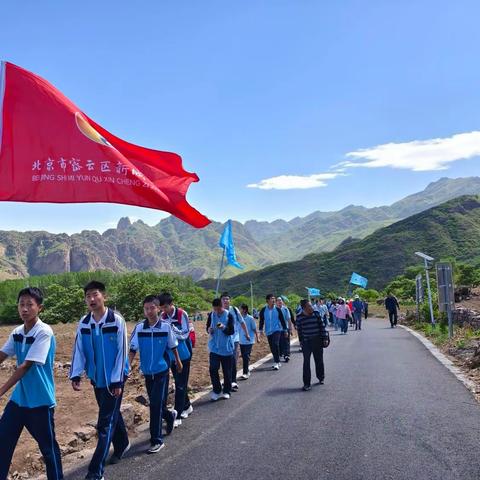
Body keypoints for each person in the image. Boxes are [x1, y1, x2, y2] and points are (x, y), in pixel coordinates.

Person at [0, 287, 63, 480]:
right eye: (21, 304)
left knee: (48, 449)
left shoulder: (44, 332)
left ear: (40, 308)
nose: (24, 309)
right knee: (2, 443)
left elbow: (25, 366)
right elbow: (2, 355)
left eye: (30, 305)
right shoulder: (18, 332)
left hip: (40, 401)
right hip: (19, 400)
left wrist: (1, 390)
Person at [70, 281, 130, 480]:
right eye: (88, 296)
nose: (91, 299)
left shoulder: (116, 321)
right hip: (97, 379)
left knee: (104, 423)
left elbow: (123, 352)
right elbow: (79, 349)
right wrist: (76, 374)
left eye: (95, 294)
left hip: (115, 378)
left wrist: (117, 381)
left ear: (104, 296)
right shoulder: (84, 323)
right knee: (112, 414)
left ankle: (95, 472)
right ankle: (122, 443)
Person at [129, 295, 182, 454]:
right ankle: (170, 415)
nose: (149, 311)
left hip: (161, 372)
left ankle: (157, 440)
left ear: (158, 308)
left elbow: (173, 346)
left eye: (152, 308)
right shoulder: (139, 328)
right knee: (156, 403)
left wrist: (178, 362)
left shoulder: (166, 327)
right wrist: (126, 367)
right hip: (147, 373)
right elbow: (132, 350)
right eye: (146, 308)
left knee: (155, 405)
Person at [158, 292, 193, 426]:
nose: (164, 310)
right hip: (171, 355)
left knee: (180, 384)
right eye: (161, 308)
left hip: (183, 354)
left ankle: (177, 414)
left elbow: (185, 333)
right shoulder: (162, 316)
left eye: (165, 307)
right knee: (179, 382)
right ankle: (187, 405)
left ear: (171, 304)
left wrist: (173, 331)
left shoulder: (181, 314)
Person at [296, 299, 328, 391]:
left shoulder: (316, 314)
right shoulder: (299, 317)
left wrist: (325, 338)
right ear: (304, 308)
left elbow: (322, 326)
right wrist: (301, 342)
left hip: (317, 340)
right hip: (306, 342)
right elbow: (300, 331)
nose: (311, 307)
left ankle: (321, 377)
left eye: (311, 305)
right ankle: (306, 383)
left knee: (319, 360)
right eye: (309, 306)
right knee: (306, 362)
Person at [206, 298, 235, 401]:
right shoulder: (212, 315)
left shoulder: (229, 316)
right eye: (215, 309)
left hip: (226, 348)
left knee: (227, 371)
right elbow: (208, 327)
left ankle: (227, 390)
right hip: (214, 348)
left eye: (218, 309)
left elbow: (231, 331)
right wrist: (209, 330)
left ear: (222, 306)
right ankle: (217, 390)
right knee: (213, 369)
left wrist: (223, 327)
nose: (217, 311)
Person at [220, 292, 250, 392]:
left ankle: (233, 381)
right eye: (223, 299)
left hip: (234, 338)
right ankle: (227, 380)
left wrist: (246, 333)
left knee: (232, 359)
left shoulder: (234, 310)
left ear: (230, 300)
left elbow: (242, 322)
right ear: (221, 301)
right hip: (223, 340)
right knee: (225, 361)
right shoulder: (218, 311)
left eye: (227, 299)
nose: (225, 301)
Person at [259, 294, 287, 370]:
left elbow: (282, 320)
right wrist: (260, 330)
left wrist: (285, 330)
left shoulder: (278, 309)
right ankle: (277, 360)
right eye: (272, 299)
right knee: (272, 347)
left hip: (277, 330)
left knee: (275, 344)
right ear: (267, 300)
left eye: (274, 298)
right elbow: (261, 320)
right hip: (268, 331)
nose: (274, 300)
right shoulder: (263, 310)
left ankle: (277, 362)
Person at [239, 304, 259, 379]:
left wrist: (257, 337)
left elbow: (254, 329)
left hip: (249, 340)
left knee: (246, 356)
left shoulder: (250, 318)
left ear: (244, 310)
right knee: (245, 356)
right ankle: (247, 370)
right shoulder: (239, 318)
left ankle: (245, 372)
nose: (239, 310)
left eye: (240, 309)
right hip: (241, 341)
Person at [276, 296, 292, 362]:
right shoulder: (274, 310)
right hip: (277, 330)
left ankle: (287, 355)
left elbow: (289, 319)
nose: (280, 302)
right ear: (276, 302)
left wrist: (290, 329)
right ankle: (280, 353)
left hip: (285, 329)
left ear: (282, 302)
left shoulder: (285, 309)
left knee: (286, 342)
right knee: (279, 343)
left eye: (281, 300)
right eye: (278, 300)